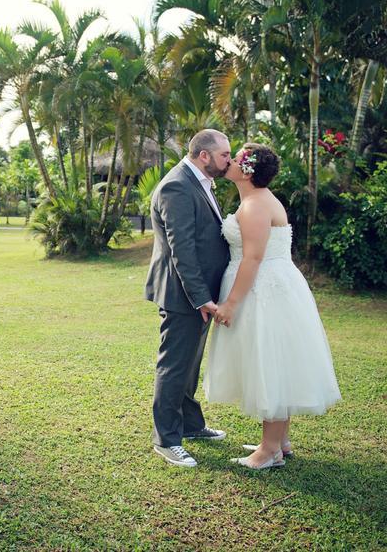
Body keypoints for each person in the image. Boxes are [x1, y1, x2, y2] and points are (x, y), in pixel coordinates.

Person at [206, 143, 341, 470]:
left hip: (262, 290)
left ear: (248, 169)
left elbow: (253, 257)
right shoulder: (258, 200)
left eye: (236, 158)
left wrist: (230, 304)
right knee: (278, 360)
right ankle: (280, 441)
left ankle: (269, 451)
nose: (230, 161)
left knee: (268, 361)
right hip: (276, 285)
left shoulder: (254, 205)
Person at [145, 129, 231, 467]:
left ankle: (191, 425)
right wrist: (200, 298)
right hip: (183, 294)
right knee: (174, 365)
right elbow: (183, 249)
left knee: (190, 365)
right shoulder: (176, 185)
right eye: (225, 154)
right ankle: (166, 439)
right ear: (205, 156)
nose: (230, 160)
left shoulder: (201, 182)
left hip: (200, 294)